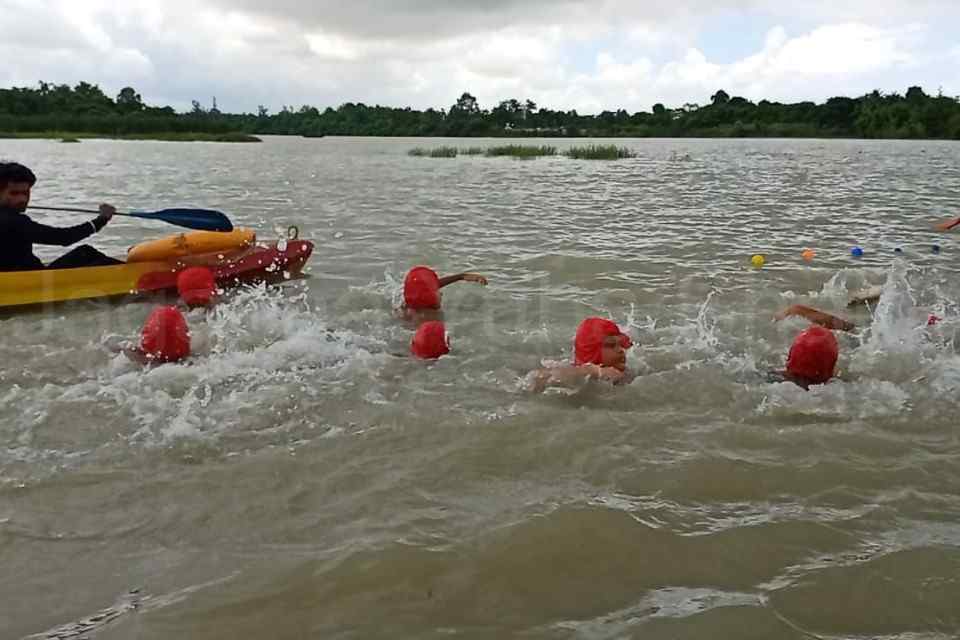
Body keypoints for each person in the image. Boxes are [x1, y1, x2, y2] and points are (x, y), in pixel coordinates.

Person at [0, 162, 121, 272]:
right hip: (30, 282)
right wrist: (102, 219)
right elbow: (63, 237)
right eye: (14, 193)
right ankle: (134, 277)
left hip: (18, 277)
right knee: (85, 253)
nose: (22, 199)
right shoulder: (15, 221)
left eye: (26, 193)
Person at [530, 317, 634, 392]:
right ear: (592, 352)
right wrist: (594, 371)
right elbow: (535, 380)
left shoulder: (627, 374)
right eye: (611, 345)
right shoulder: (578, 375)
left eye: (620, 344)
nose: (620, 350)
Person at [770, 304, 854, 388]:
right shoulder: (840, 388)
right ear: (831, 371)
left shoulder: (772, 379)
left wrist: (797, 310)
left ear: (789, 361)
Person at [400, 265, 488, 322]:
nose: (441, 294)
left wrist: (461, 276)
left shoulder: (409, 304)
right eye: (437, 292)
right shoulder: (432, 318)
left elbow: (422, 289)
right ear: (430, 300)